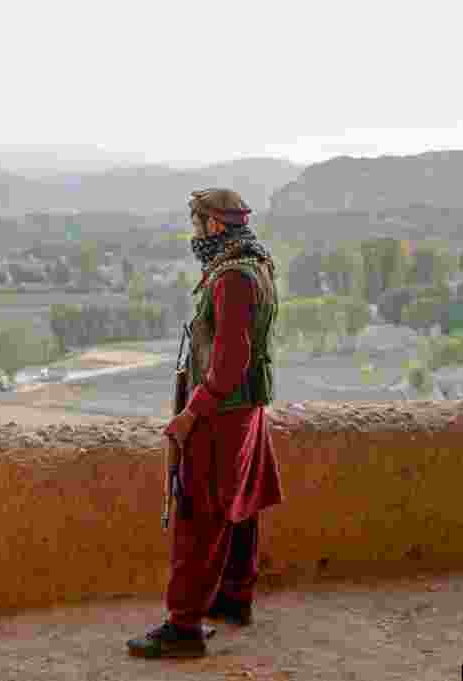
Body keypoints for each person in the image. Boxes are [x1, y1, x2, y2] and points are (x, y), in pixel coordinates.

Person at [128, 188, 284, 658]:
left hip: (222, 412)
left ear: (215, 225)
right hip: (247, 407)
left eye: (197, 223)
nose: (194, 232)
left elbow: (231, 358)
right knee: (239, 501)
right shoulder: (257, 264)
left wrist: (191, 412)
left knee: (200, 510)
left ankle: (184, 625)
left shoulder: (232, 277)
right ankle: (233, 597)